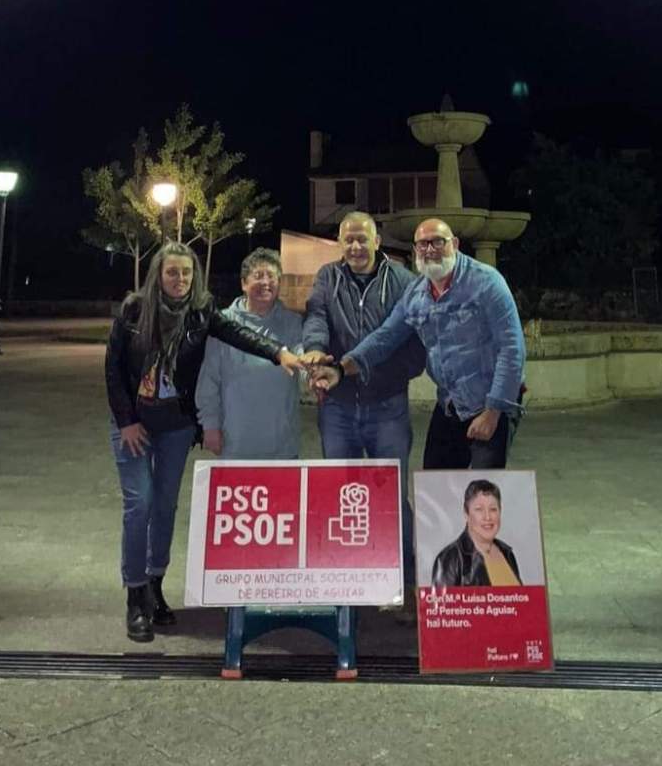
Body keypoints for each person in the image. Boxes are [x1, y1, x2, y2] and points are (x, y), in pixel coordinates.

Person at [105, 241, 304, 643]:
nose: (180, 279)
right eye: (172, 272)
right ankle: (135, 595)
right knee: (139, 504)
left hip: (175, 425)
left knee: (165, 505)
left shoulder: (201, 312)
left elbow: (240, 334)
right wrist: (126, 421)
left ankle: (155, 585)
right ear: (158, 275)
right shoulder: (134, 311)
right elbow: (113, 369)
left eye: (186, 272)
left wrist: (279, 353)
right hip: (134, 425)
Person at [315, 217, 524, 470]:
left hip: (489, 402)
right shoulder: (416, 293)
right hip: (450, 403)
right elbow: (384, 338)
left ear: (455, 244)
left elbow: (511, 349)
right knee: (434, 483)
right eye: (422, 244)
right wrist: (340, 369)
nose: (429, 249)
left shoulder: (487, 282)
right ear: (415, 250)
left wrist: (493, 412)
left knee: (484, 487)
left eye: (438, 242)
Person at [300, 211, 426, 590]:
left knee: (392, 496)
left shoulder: (404, 281)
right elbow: (316, 316)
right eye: (348, 239)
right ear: (340, 242)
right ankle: (347, 581)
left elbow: (411, 347)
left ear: (377, 241)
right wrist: (315, 348)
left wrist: (375, 373)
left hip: (388, 407)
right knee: (341, 494)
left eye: (362, 239)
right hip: (338, 408)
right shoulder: (328, 277)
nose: (355, 246)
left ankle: (404, 582)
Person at [196, 248, 304, 459]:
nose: (266, 282)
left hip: (282, 448)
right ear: (244, 283)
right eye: (258, 275)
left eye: (272, 276)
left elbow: (303, 359)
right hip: (236, 445)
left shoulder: (293, 323)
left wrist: (316, 374)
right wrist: (210, 425)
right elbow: (209, 380)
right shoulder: (223, 324)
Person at [431, 479, 522, 588]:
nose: (487, 517)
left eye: (493, 509)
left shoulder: (507, 553)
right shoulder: (449, 559)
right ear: (466, 514)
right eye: (479, 509)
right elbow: (441, 598)